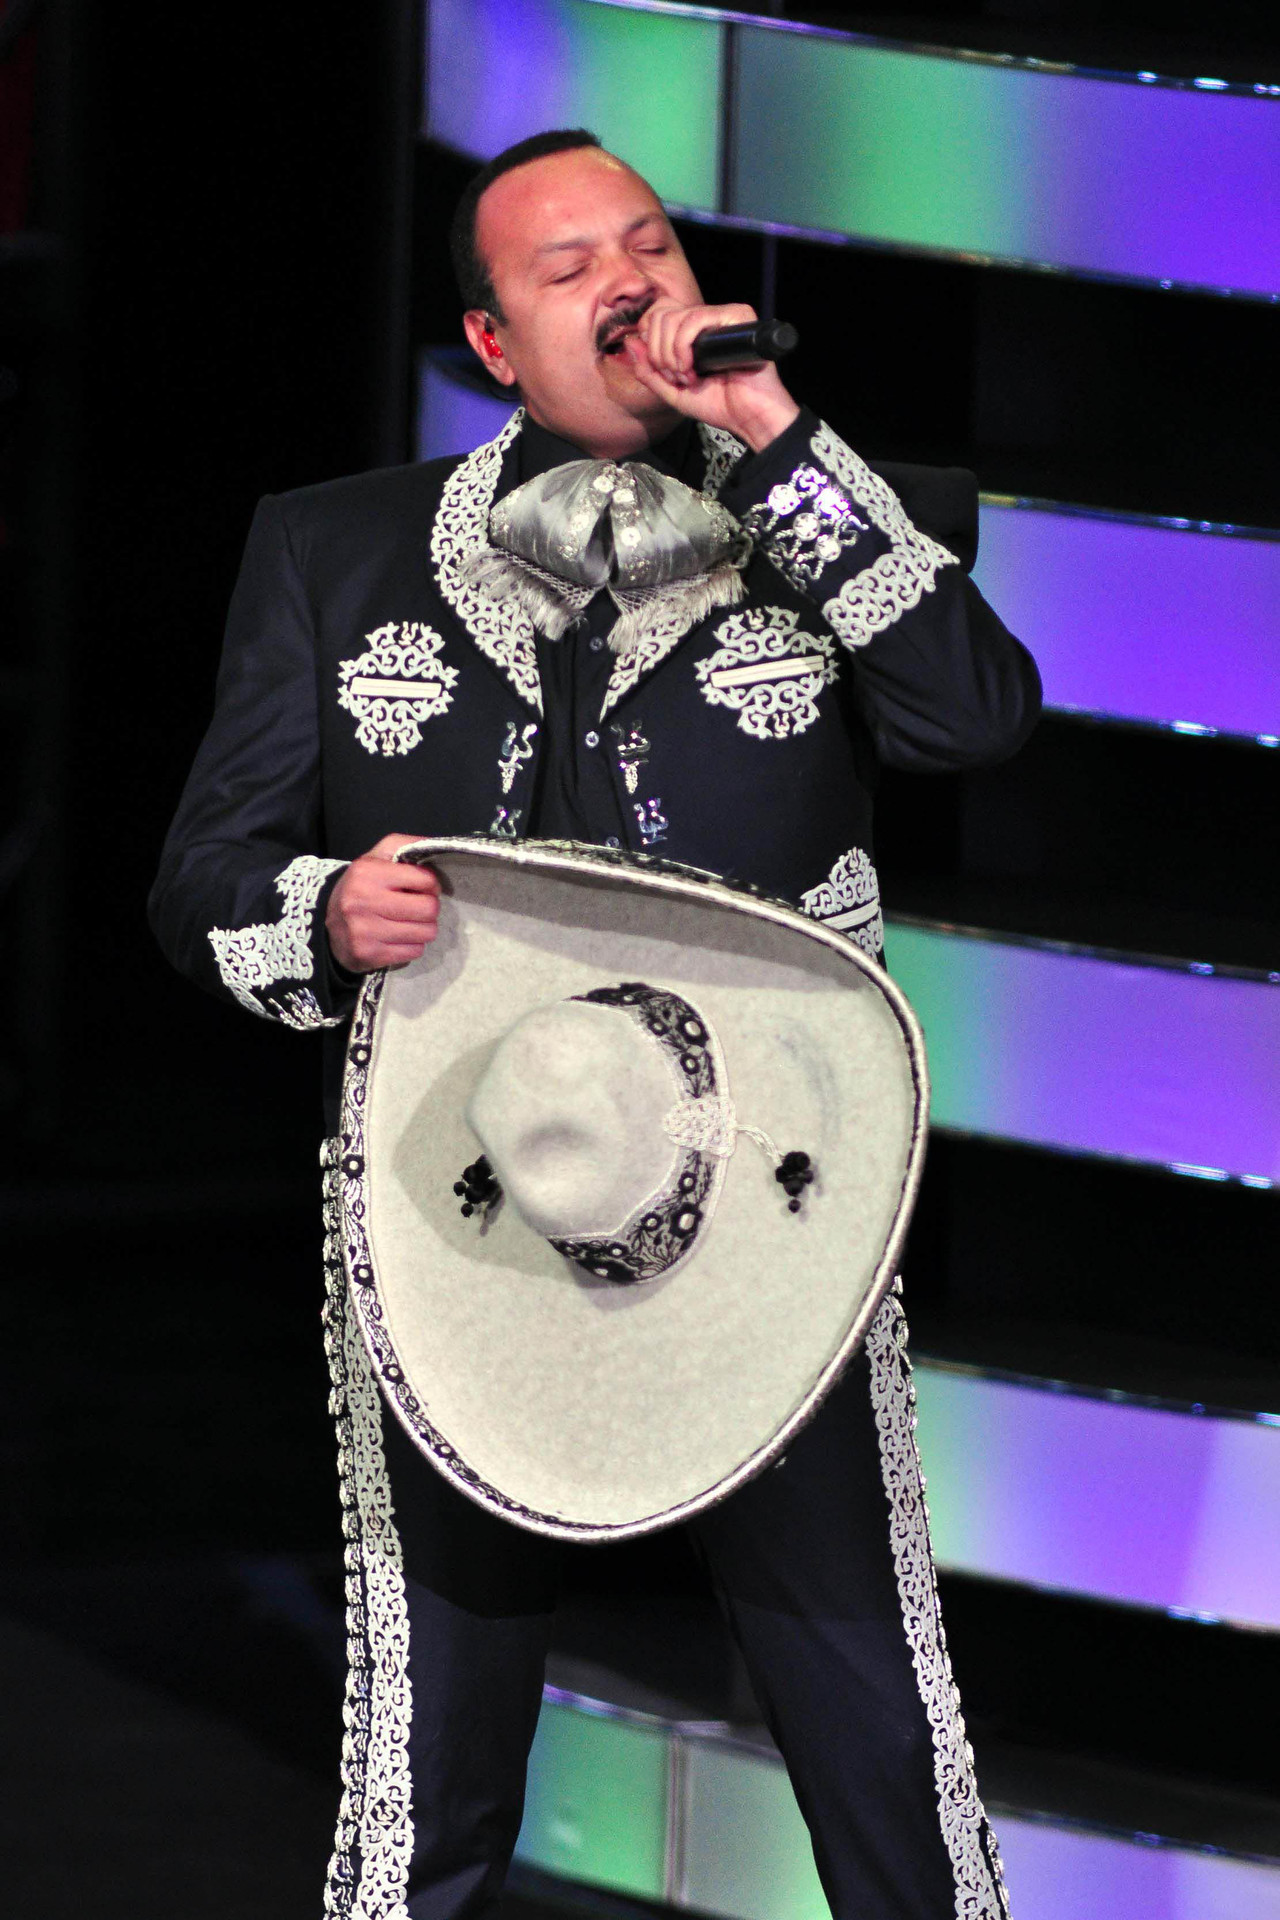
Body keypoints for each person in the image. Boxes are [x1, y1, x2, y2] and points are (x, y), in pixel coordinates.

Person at [151, 129, 1039, 1920]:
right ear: (494, 342)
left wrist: (774, 435)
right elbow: (201, 881)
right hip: (463, 1222)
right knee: (431, 1770)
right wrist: (321, 912)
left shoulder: (838, 512)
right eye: (568, 269)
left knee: (875, 1737)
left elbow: (975, 719)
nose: (627, 281)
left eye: (650, 244)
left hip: (779, 1215)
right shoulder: (337, 550)